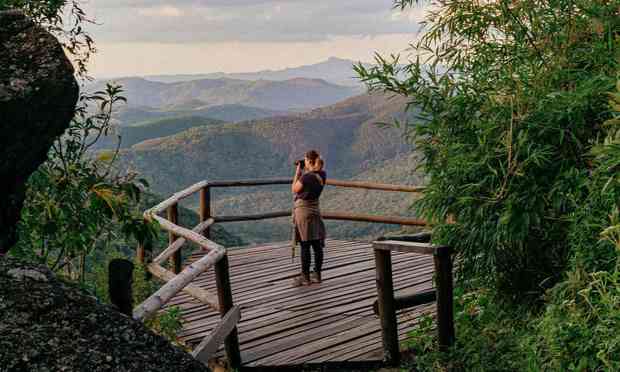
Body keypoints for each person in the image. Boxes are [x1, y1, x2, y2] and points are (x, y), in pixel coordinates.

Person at [292, 150, 327, 286]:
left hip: (303, 211)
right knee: (317, 245)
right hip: (315, 210)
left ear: (308, 161)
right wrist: (305, 168)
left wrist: (297, 171)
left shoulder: (306, 177)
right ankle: (317, 275)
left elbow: (294, 189)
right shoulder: (322, 175)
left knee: (305, 245)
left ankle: (305, 277)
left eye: (305, 160)